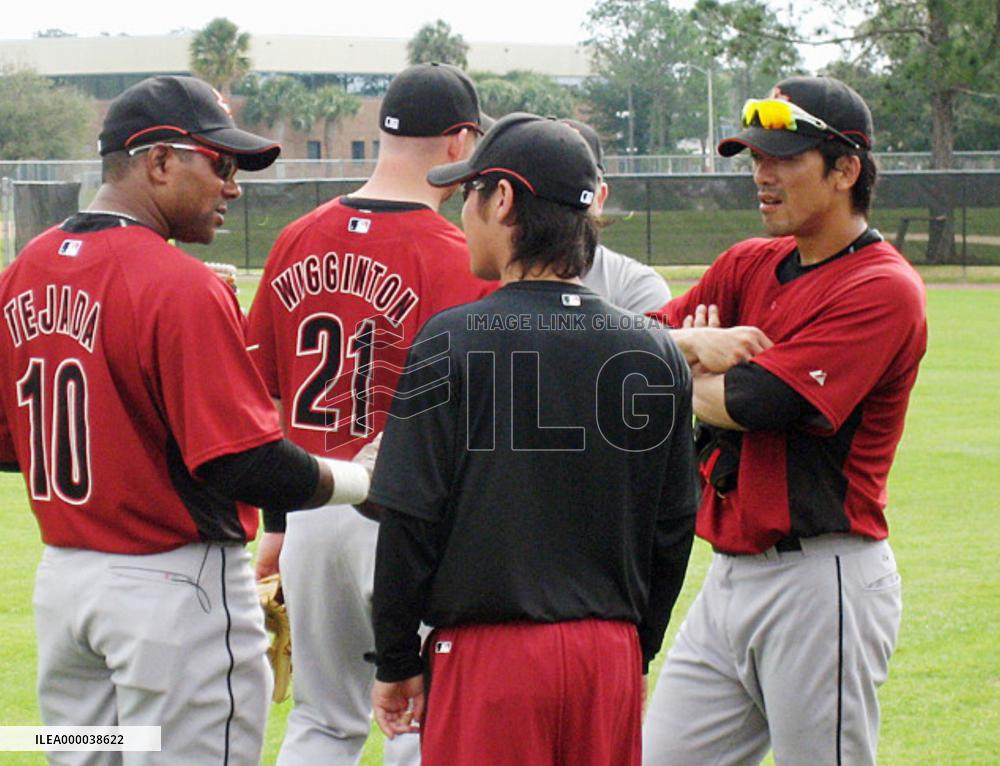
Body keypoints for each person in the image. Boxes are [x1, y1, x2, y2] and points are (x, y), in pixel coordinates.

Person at [0, 75, 376, 766]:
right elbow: (245, 462)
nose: (232, 186)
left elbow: (8, 442)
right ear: (160, 161)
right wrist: (363, 480)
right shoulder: (178, 284)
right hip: (175, 593)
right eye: (221, 164)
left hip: (65, 592)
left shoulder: (25, 268)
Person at [368, 113, 700, 766]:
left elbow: (409, 518)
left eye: (471, 193)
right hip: (608, 653)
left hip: (489, 658)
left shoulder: (451, 337)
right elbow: (674, 525)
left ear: (504, 199)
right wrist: (642, 646)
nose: (463, 211)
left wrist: (397, 656)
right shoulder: (654, 347)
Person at [642, 76, 928, 766]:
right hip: (729, 577)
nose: (761, 176)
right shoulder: (749, 262)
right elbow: (617, 353)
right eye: (755, 159)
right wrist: (690, 352)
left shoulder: (882, 287)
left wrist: (673, 372)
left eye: (782, 159)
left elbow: (760, 404)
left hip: (820, 581)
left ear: (845, 170)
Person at [245, 62, 494, 766]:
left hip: (311, 508)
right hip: (410, 518)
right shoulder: (455, 255)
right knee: (417, 721)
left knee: (323, 721)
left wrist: (279, 528)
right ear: (460, 142)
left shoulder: (297, 237)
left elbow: (264, 393)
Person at [560, 118, 673, 313]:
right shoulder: (494, 278)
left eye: (577, 183)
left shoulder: (636, 285)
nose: (563, 195)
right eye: (550, 182)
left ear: (600, 197)